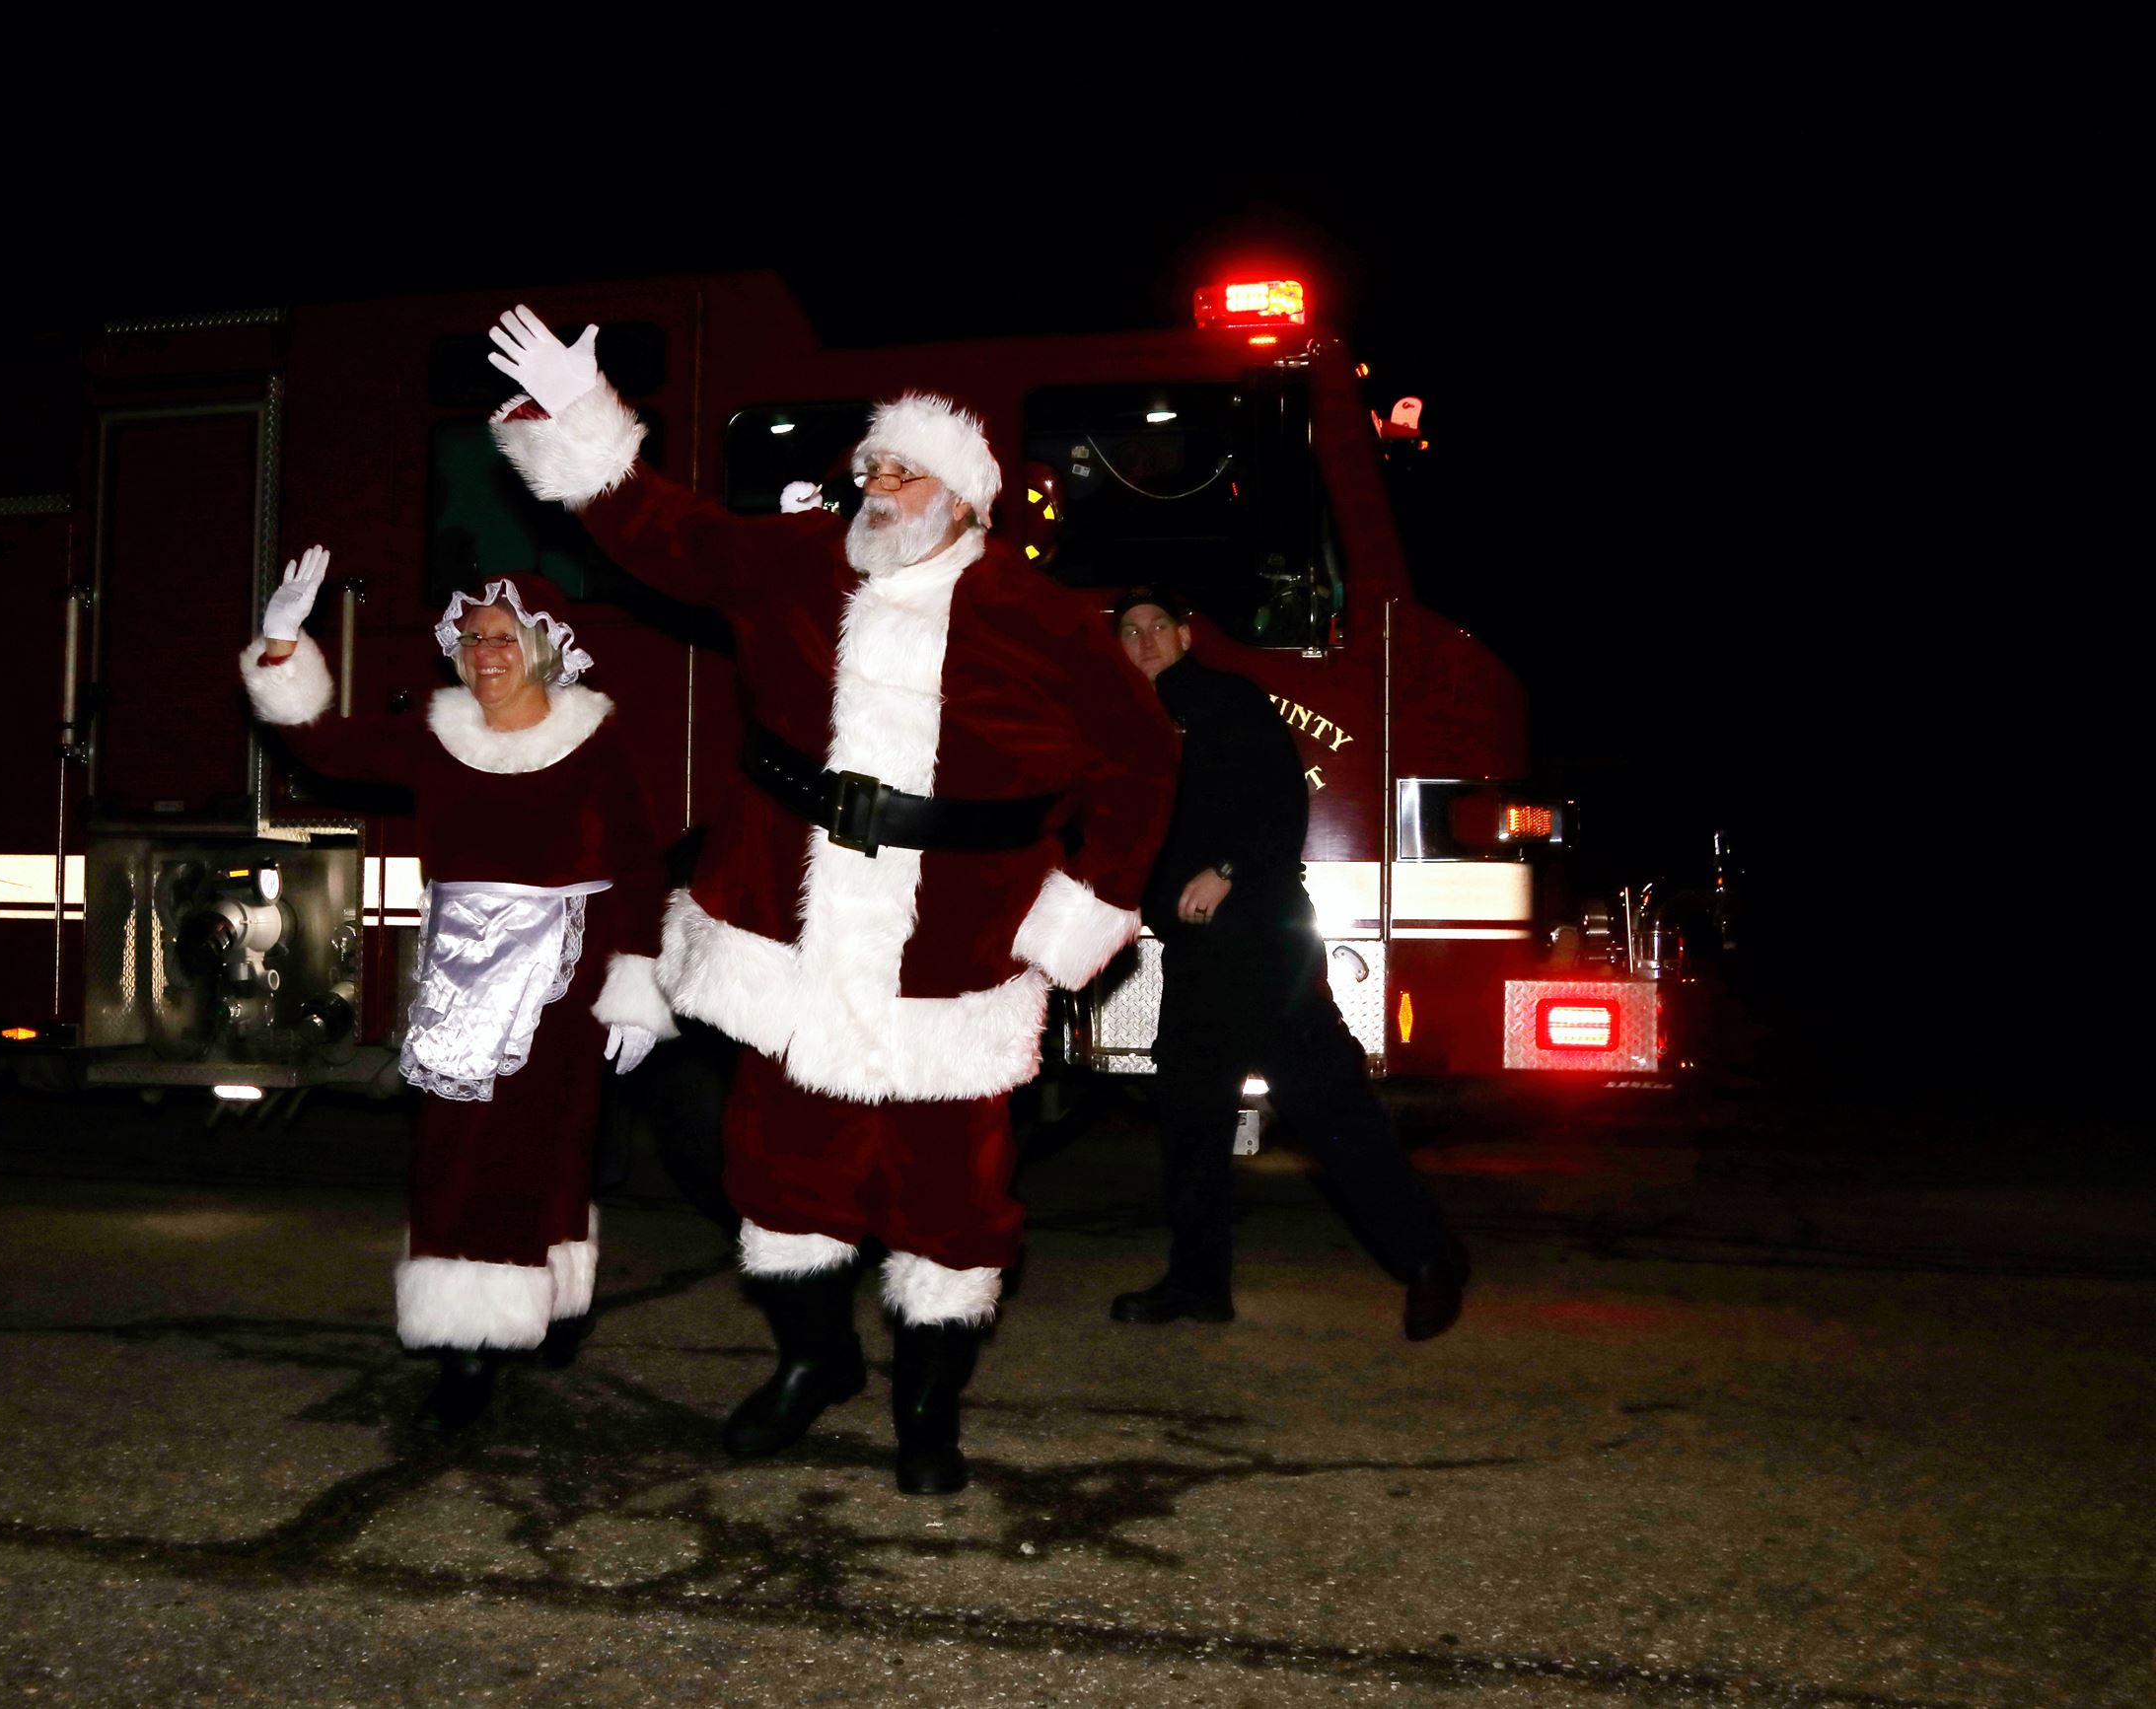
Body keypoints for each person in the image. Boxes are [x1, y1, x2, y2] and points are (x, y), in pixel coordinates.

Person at [484, 306, 1178, 1494]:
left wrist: (1080, 912)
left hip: (949, 962)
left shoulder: (1041, 617)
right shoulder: (797, 565)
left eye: (907, 471)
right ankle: (814, 1362)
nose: (879, 485)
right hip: (788, 936)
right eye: (870, 468)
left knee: (952, 1203)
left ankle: (926, 1405)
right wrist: (584, 429)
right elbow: (667, 535)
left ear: (964, 498)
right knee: (779, 1175)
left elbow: (1141, 764)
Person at [240, 549, 676, 1430]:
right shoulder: (437, 735)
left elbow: (638, 867)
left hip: (568, 971)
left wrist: (638, 979)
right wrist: (283, 640)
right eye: (471, 636)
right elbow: (321, 741)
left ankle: (549, 1299)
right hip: (461, 971)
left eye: (503, 636)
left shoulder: (594, 741)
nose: (484, 652)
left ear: (545, 646)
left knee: (556, 1141)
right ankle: (467, 1347)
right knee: (463, 1146)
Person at [1110, 589, 1470, 1339]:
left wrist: (1228, 867)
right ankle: (1198, 1281)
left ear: (1185, 632)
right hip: (1198, 955)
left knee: (1330, 1108)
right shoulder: (1128, 725)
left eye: (1155, 627)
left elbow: (1279, 804)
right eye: (1128, 631)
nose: (1142, 640)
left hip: (1264, 940)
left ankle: (1432, 1260)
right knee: (1190, 1121)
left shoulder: (1224, 699)